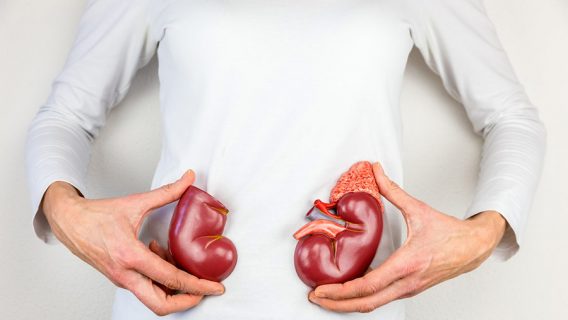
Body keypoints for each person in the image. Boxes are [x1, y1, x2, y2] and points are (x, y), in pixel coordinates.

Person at [24, 0, 546, 319]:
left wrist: (482, 234)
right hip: (177, 311)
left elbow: (512, 118)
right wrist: (67, 213)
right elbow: (65, 116)